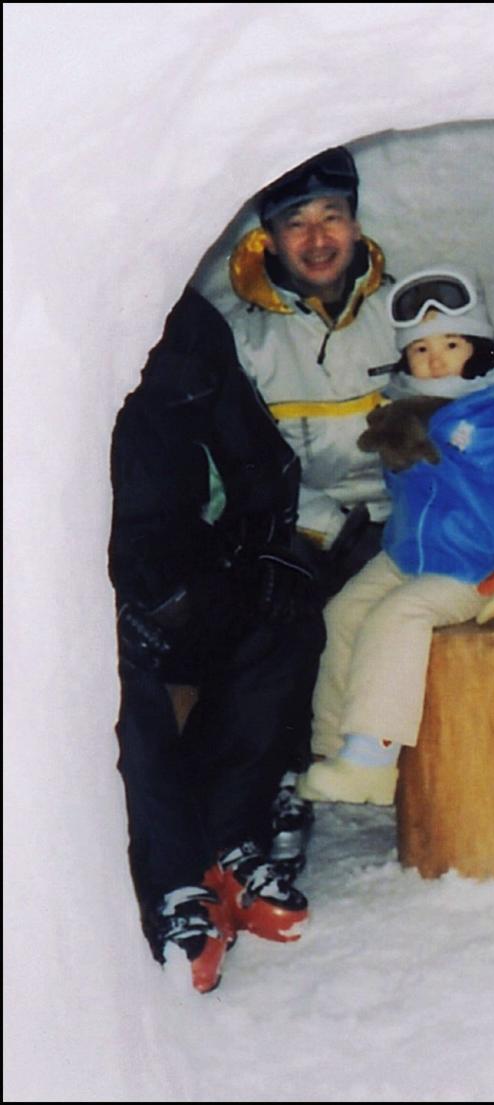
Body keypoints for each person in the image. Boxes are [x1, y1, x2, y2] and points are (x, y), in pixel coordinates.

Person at [297, 267, 494, 806]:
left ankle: (371, 760)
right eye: (421, 349)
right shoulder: (407, 408)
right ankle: (333, 744)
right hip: (409, 554)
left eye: (451, 344)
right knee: (341, 614)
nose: (436, 360)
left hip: (475, 565)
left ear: (476, 346)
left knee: (397, 619)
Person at [109, 288, 324, 992]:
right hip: (77, 579)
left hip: (175, 559)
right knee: (106, 671)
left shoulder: (179, 319)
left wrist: (262, 551)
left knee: (283, 614)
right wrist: (100, 599)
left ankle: (230, 838)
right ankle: (176, 881)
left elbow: (257, 458)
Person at [223, 145, 399, 858]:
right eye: (299, 222)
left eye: (334, 216)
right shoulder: (246, 338)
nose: (320, 238)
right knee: (280, 615)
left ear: (357, 226)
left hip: (405, 517)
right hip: (307, 525)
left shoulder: (401, 311)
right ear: (269, 235)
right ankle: (283, 781)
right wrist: (328, 527)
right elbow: (246, 468)